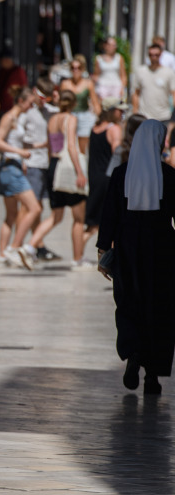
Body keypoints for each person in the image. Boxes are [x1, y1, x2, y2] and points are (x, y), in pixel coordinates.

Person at [97, 120, 175, 395]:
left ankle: (133, 357)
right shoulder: (168, 176)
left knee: (129, 302)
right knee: (160, 308)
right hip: (162, 250)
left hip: (128, 249)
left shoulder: (121, 174)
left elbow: (109, 215)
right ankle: (152, 376)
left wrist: (103, 250)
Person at [28, 90, 91, 269]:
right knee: (79, 218)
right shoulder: (71, 119)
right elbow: (71, 146)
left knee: (56, 215)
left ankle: (29, 246)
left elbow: (51, 147)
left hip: (54, 165)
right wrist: (80, 172)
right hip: (68, 166)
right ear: (73, 104)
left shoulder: (52, 120)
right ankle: (77, 258)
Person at [0, 86, 40, 270]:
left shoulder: (18, 119)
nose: (31, 107)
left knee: (11, 215)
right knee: (34, 208)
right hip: (10, 167)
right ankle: (14, 248)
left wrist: (39, 145)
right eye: (30, 103)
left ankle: (3, 254)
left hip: (14, 166)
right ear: (21, 101)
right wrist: (19, 152)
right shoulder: (9, 117)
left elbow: (15, 141)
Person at [18, 77, 62, 261]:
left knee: (40, 207)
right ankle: (19, 245)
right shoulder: (26, 113)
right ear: (35, 93)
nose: (43, 102)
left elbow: (64, 116)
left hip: (47, 163)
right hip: (33, 163)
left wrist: (57, 100)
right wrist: (23, 159)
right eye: (41, 97)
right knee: (29, 207)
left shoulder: (52, 112)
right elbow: (18, 139)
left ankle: (37, 245)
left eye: (47, 98)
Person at [83, 97, 126, 242]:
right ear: (113, 111)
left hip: (95, 178)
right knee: (110, 223)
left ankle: (78, 257)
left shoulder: (95, 129)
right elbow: (117, 153)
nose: (122, 114)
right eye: (121, 111)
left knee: (93, 224)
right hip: (108, 180)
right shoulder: (114, 129)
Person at [60, 54, 101, 154]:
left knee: (83, 145)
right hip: (70, 115)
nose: (75, 70)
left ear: (82, 69)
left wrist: (100, 118)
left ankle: (82, 164)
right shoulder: (65, 84)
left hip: (84, 115)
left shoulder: (88, 83)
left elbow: (95, 102)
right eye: (73, 68)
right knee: (69, 142)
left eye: (78, 68)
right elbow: (61, 103)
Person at [132, 44, 175, 122]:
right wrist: (135, 113)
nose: (153, 57)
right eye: (151, 55)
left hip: (163, 116)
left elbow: (173, 94)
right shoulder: (141, 71)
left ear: (161, 54)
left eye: (156, 55)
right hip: (144, 116)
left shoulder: (169, 72)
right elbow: (136, 94)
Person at [0, 49, 28, 115]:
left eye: (1, 60)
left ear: (7, 60)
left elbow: (25, 87)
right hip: (3, 107)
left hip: (14, 107)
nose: (0, 63)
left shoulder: (19, 71)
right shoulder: (1, 71)